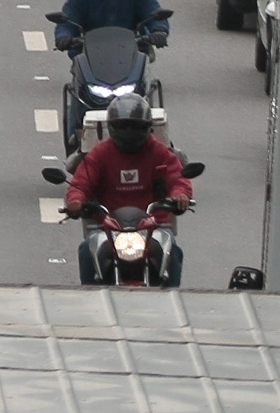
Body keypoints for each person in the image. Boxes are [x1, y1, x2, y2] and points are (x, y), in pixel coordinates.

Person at [62, 92, 191, 285]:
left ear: (147, 128)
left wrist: (180, 195)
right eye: (123, 126)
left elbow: (178, 179)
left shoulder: (159, 152)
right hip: (107, 227)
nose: (129, 132)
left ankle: (171, 294)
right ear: (112, 127)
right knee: (86, 251)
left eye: (136, 127)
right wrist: (75, 200)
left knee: (172, 251)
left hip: (154, 225)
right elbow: (80, 183)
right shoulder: (100, 153)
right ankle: (90, 296)